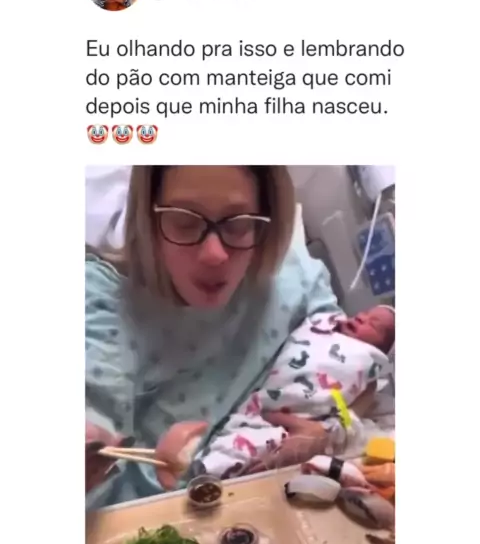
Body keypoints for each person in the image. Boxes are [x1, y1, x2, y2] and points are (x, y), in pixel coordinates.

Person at [85, 165, 340, 508]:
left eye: (238, 225)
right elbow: (92, 408)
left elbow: (356, 363)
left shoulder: (298, 282)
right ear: (148, 220)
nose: (214, 254)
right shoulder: (103, 306)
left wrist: (327, 432)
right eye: (184, 221)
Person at [184, 305, 395, 481]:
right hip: (266, 398)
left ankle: (213, 470)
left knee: (264, 443)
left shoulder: (364, 367)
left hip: (297, 417)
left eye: (374, 324)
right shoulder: (321, 324)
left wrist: (330, 427)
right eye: (365, 313)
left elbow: (344, 410)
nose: (362, 317)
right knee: (241, 428)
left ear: (382, 350)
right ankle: (206, 466)